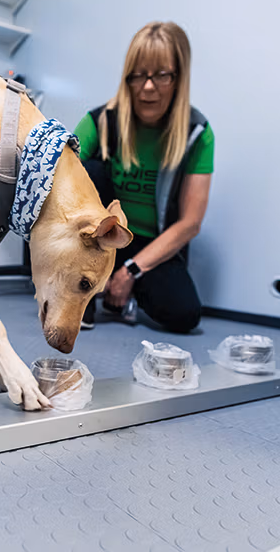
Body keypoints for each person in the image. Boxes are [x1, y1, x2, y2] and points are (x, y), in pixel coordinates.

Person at [75, 21, 214, 333]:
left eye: (161, 75)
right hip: (100, 239)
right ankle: (85, 292)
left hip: (151, 246)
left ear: (179, 78)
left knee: (184, 314)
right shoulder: (99, 121)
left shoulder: (197, 133)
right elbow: (57, 183)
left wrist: (130, 271)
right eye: (138, 75)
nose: (148, 87)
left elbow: (190, 223)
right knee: (87, 170)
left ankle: (122, 290)